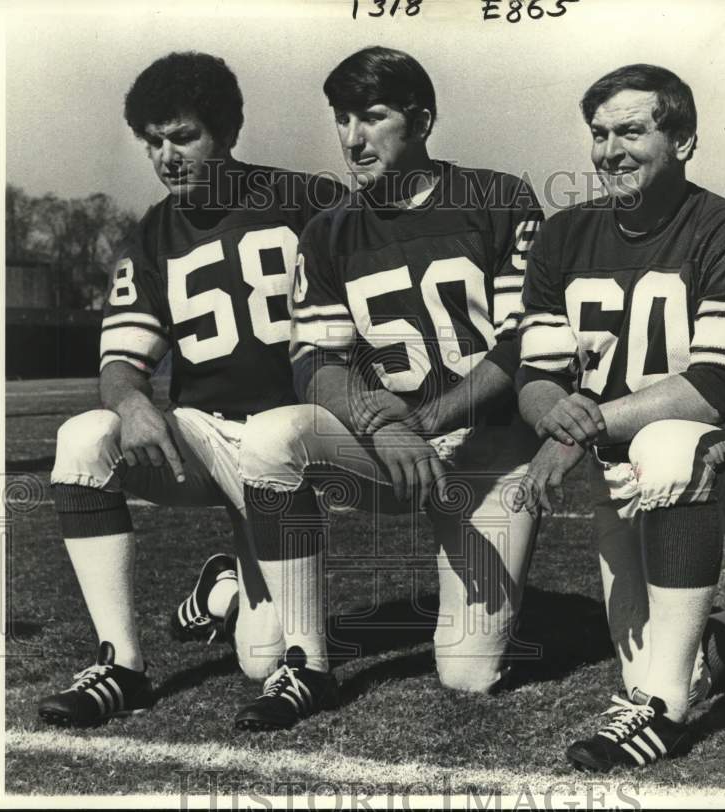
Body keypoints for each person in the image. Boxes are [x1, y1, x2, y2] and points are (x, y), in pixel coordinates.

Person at [514, 64, 725, 772]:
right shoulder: (564, 234)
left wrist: (587, 426)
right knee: (660, 660)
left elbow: (718, 382)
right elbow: (535, 376)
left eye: (631, 131)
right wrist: (559, 417)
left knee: (669, 447)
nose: (609, 151)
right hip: (617, 474)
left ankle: (663, 714)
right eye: (598, 135)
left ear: (685, 139)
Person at [205, 46, 545, 731]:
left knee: (468, 673)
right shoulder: (330, 232)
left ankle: (227, 594)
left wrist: (429, 417)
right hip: (395, 452)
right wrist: (377, 421)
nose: (353, 138)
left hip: (489, 451)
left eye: (372, 117)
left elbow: (524, 342)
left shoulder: (497, 198)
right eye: (341, 118)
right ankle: (305, 663)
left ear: (420, 120)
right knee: (275, 434)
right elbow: (314, 358)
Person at [37, 51, 347, 727]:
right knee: (84, 437)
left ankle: (226, 594)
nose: (167, 157)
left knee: (262, 661)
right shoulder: (151, 236)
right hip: (210, 437)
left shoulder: (311, 202)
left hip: (301, 440)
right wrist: (133, 403)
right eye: (153, 142)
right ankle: (121, 665)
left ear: (228, 130)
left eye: (183, 136)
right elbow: (121, 361)